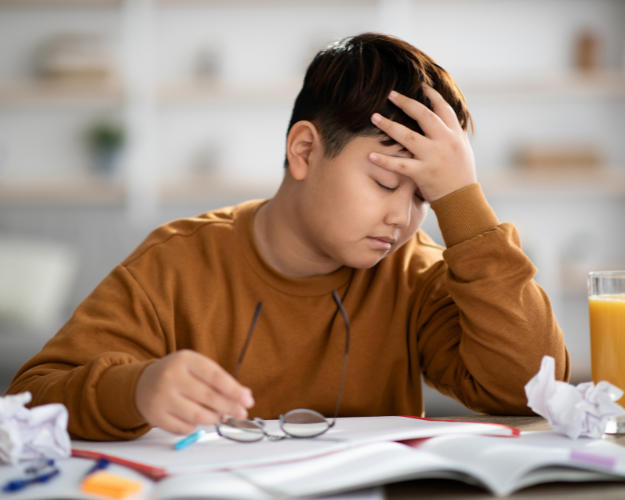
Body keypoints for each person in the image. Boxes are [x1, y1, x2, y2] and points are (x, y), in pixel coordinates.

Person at [7, 33, 570, 441]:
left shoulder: (414, 273)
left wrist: (463, 203)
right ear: (304, 151)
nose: (402, 217)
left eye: (424, 197)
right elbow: (26, 401)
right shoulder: (175, 263)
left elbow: (529, 390)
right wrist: (135, 389)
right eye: (384, 182)